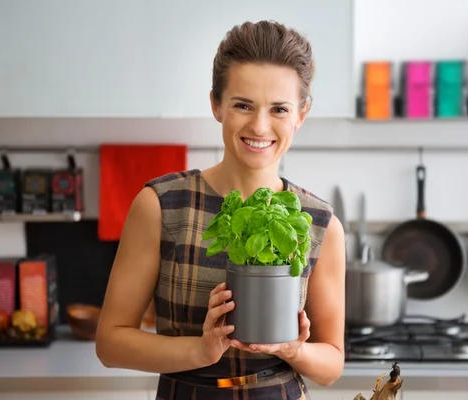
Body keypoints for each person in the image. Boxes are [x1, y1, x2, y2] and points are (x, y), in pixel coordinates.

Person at [95, 20, 346, 400]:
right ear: (216, 104)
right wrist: (201, 349)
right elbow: (110, 344)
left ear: (301, 114)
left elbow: (331, 365)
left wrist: (293, 349)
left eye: (279, 109)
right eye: (243, 105)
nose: (260, 126)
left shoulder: (319, 222)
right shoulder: (162, 205)